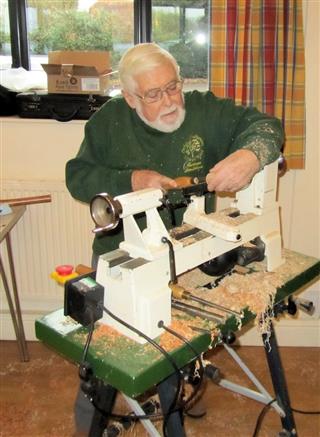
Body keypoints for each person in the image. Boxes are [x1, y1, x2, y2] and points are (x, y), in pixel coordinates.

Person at [65, 42, 284, 434]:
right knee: (104, 358)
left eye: (173, 86)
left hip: (189, 255)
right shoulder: (109, 122)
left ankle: (174, 406)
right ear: (130, 98)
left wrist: (250, 156)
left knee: (172, 350)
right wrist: (130, 180)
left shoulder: (204, 110)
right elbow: (77, 176)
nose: (169, 101)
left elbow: (268, 127)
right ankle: (92, 425)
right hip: (122, 256)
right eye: (153, 94)